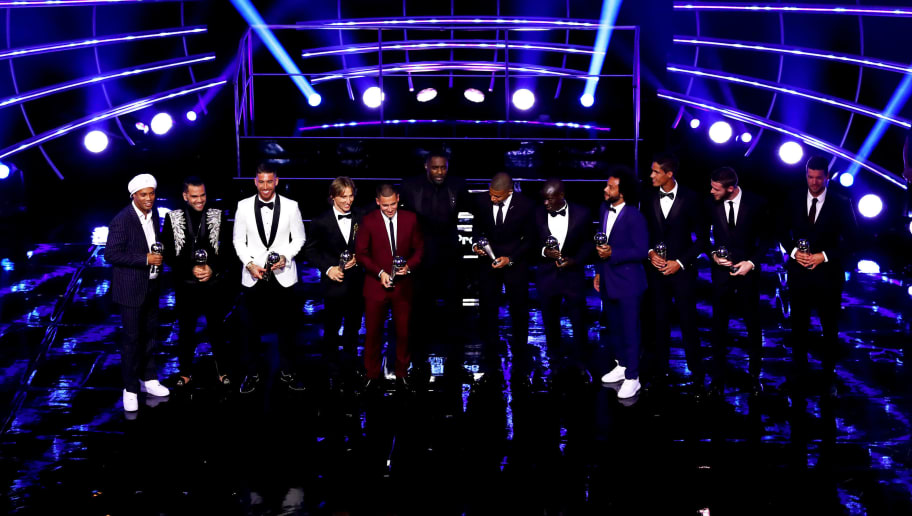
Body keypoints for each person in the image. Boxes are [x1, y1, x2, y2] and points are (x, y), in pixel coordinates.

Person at [778, 156, 857, 394]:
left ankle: (828, 375)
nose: (814, 182)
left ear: (827, 177)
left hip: (828, 276)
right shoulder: (792, 198)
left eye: (819, 178)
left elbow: (854, 240)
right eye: (810, 177)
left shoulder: (841, 202)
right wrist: (794, 253)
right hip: (799, 273)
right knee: (798, 325)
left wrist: (824, 256)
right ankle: (799, 371)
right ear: (806, 175)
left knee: (829, 326)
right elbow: (780, 230)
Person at [232, 162, 307, 394]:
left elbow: (299, 238)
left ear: (276, 181)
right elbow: (238, 241)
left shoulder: (291, 206)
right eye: (261, 182)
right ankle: (252, 374)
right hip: (254, 275)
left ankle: (288, 372)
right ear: (255, 182)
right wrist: (249, 264)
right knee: (249, 330)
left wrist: (285, 256)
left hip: (283, 276)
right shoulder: (243, 206)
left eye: (270, 181)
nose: (265, 186)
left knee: (288, 329)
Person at [399, 151, 471, 382]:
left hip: (449, 257)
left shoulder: (458, 185)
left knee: (454, 311)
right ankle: (418, 363)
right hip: (421, 258)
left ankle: (455, 363)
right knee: (420, 312)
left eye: (443, 167)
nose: (440, 172)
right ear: (426, 167)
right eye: (435, 168)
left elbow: (473, 210)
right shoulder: (410, 186)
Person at [640, 153, 708, 394]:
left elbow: (702, 239)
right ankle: (659, 372)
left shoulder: (692, 197)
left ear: (669, 174)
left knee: (689, 322)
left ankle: (697, 374)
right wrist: (650, 253)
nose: (651, 175)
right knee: (658, 322)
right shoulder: (647, 196)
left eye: (656, 171)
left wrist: (680, 262)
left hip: (682, 271)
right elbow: (643, 232)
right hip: (656, 271)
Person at [106, 173, 170, 412]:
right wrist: (145, 259)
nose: (149, 198)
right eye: (143, 195)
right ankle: (130, 389)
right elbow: (111, 254)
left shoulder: (154, 215)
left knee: (150, 335)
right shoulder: (122, 220)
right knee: (132, 340)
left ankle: (149, 379)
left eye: (151, 194)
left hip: (151, 285)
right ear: (133, 196)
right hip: (131, 289)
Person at [161, 176, 232, 388]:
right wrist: (189, 268)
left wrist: (213, 268)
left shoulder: (218, 215)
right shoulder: (172, 217)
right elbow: (168, 254)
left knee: (217, 330)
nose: (200, 200)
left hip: (213, 284)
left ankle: (223, 371)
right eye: (194, 196)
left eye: (202, 195)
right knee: (186, 330)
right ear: (185, 196)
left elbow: (229, 250)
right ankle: (185, 373)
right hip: (185, 285)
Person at [354, 183, 424, 391]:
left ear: (398, 199)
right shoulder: (368, 221)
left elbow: (419, 249)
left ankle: (402, 373)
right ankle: (371, 373)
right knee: (373, 333)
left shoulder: (411, 219)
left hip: (403, 287)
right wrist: (380, 273)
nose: (390, 208)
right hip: (375, 286)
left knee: (403, 332)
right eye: (385, 205)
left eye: (393, 204)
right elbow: (362, 253)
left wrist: (409, 266)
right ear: (378, 202)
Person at [706, 167, 768, 397]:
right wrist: (713, 255)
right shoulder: (711, 203)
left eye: (716, 188)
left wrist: (751, 263)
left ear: (730, 188)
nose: (711, 191)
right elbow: (703, 236)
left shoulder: (756, 203)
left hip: (748, 273)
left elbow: (766, 239)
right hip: (720, 274)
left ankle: (754, 375)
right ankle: (717, 377)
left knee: (752, 324)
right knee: (718, 326)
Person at [471, 172, 536, 385]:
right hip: (488, 264)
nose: (492, 198)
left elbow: (530, 240)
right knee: (487, 308)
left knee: (519, 308)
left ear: (509, 192)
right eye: (491, 194)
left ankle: (520, 352)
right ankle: (490, 352)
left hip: (515, 263)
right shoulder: (481, 201)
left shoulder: (526, 205)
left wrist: (511, 258)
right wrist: (476, 244)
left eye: (497, 196)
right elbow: (477, 229)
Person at [302, 177, 364, 382]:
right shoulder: (320, 221)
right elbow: (311, 251)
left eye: (351, 196)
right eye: (343, 197)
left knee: (353, 327)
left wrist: (359, 257)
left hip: (356, 283)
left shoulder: (361, 217)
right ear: (333, 197)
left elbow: (369, 244)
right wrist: (328, 269)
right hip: (333, 285)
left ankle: (350, 364)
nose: (348, 201)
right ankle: (331, 367)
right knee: (331, 327)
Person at [594, 169, 648, 400]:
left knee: (630, 329)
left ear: (623, 192)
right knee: (614, 328)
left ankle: (633, 377)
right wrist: (599, 272)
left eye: (611, 187)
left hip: (629, 282)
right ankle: (622, 365)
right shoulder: (603, 208)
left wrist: (613, 254)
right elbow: (601, 244)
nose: (605, 189)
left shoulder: (635, 216)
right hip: (608, 279)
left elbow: (641, 250)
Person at [534, 179, 594, 382]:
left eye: (550, 199)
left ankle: (581, 363)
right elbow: (530, 242)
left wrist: (575, 260)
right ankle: (554, 363)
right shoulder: (536, 214)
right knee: (550, 322)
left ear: (561, 196)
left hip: (572, 276)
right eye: (544, 199)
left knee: (579, 321)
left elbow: (588, 243)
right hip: (547, 276)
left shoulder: (582, 213)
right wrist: (544, 251)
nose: (546, 203)